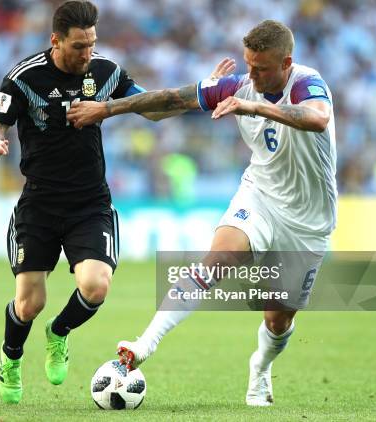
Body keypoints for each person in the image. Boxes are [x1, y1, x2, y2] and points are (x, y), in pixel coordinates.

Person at [67, 19, 336, 407]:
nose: (252, 74)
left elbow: (317, 118)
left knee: (278, 320)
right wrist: (106, 109)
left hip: (308, 221)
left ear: (287, 62)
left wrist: (253, 105)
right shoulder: (237, 86)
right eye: (249, 65)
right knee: (218, 259)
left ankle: (260, 366)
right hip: (259, 196)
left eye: (261, 68)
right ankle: (145, 344)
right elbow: (168, 99)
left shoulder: (307, 83)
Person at [0, 0, 234, 404]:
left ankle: (59, 332)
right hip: (39, 206)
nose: (88, 54)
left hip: (90, 204)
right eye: (80, 46)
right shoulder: (23, 77)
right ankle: (11, 356)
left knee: (96, 286)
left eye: (92, 44)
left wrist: (200, 93)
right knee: (30, 303)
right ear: (56, 40)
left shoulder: (105, 72)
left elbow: (150, 107)